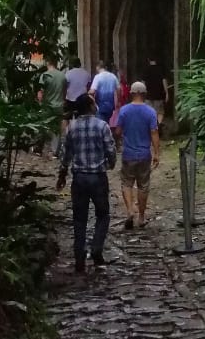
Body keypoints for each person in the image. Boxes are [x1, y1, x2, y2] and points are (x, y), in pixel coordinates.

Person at [57, 95, 116, 272]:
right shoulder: (102, 126)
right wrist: (109, 164)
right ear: (91, 106)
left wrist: (62, 175)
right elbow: (110, 150)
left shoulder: (71, 128)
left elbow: (65, 154)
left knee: (79, 218)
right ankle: (97, 248)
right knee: (103, 214)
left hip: (79, 178)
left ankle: (79, 255)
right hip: (98, 176)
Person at [114, 80, 160, 229]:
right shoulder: (151, 112)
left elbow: (118, 131)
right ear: (144, 94)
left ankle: (129, 211)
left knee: (127, 183)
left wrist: (121, 137)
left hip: (128, 153)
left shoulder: (124, 111)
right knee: (143, 186)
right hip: (144, 154)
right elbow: (154, 133)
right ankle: (141, 217)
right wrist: (157, 153)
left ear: (132, 94)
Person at [38, 55, 67, 157]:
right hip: (59, 105)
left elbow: (41, 92)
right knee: (57, 129)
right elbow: (64, 92)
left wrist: (40, 103)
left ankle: (39, 148)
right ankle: (55, 151)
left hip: (47, 106)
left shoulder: (44, 75)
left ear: (47, 63)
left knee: (42, 126)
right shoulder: (62, 76)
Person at [90, 58, 119, 124]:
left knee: (101, 124)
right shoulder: (113, 76)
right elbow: (118, 89)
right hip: (110, 106)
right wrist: (118, 101)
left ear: (98, 67)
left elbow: (92, 91)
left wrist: (87, 93)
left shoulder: (97, 77)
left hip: (100, 106)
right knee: (106, 123)